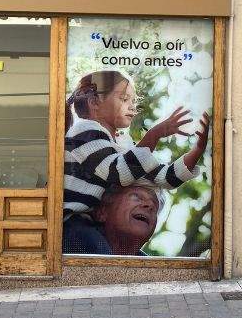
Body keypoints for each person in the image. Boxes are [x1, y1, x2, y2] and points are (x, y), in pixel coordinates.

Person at [63, 70, 210, 219]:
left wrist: (197, 150)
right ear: (95, 103)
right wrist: (154, 135)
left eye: (133, 101)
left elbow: (164, 177)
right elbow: (118, 173)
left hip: (88, 224)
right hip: (72, 221)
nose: (132, 107)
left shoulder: (123, 144)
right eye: (124, 99)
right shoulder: (84, 131)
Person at [62, 184, 162, 256]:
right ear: (102, 212)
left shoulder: (150, 267)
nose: (150, 206)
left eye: (155, 205)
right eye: (136, 197)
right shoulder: (77, 237)